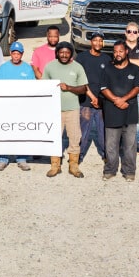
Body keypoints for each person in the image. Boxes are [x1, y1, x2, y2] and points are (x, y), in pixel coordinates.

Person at [42, 42, 90, 178]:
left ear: (71, 54)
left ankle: (73, 166)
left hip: (72, 109)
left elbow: (83, 89)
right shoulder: (50, 66)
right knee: (54, 137)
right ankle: (55, 165)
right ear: (57, 53)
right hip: (54, 110)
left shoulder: (77, 67)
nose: (64, 55)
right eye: (61, 52)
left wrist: (69, 87)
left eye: (67, 52)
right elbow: (44, 85)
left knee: (75, 137)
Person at [99, 41, 139, 181]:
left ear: (126, 52)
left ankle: (129, 171)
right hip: (112, 111)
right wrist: (116, 100)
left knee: (130, 145)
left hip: (129, 112)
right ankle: (110, 169)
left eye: (120, 51)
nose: (117, 54)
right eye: (115, 51)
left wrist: (124, 99)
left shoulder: (135, 70)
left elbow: (138, 87)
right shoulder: (107, 69)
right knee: (111, 145)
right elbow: (103, 88)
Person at [0, 41, 38, 171]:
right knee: (4, 131)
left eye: (18, 53)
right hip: (6, 106)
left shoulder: (27, 68)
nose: (16, 56)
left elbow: (32, 87)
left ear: (22, 54)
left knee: (21, 132)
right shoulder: (3, 68)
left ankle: (21, 158)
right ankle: (3, 158)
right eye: (14, 53)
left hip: (22, 107)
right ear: (11, 54)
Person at [73, 32, 108, 165]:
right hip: (86, 101)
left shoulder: (106, 58)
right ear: (90, 42)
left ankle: (106, 155)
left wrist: (100, 99)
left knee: (103, 130)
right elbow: (80, 79)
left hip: (101, 102)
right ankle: (79, 155)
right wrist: (92, 97)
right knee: (83, 130)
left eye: (100, 40)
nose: (98, 43)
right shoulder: (82, 57)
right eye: (95, 40)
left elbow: (107, 81)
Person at [120, 22, 139, 154]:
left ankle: (137, 143)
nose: (132, 34)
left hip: (138, 88)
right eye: (129, 31)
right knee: (121, 117)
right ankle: (121, 143)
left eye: (134, 32)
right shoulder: (119, 46)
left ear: (138, 34)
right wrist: (134, 62)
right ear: (125, 33)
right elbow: (116, 62)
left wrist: (125, 59)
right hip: (121, 89)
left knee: (137, 118)